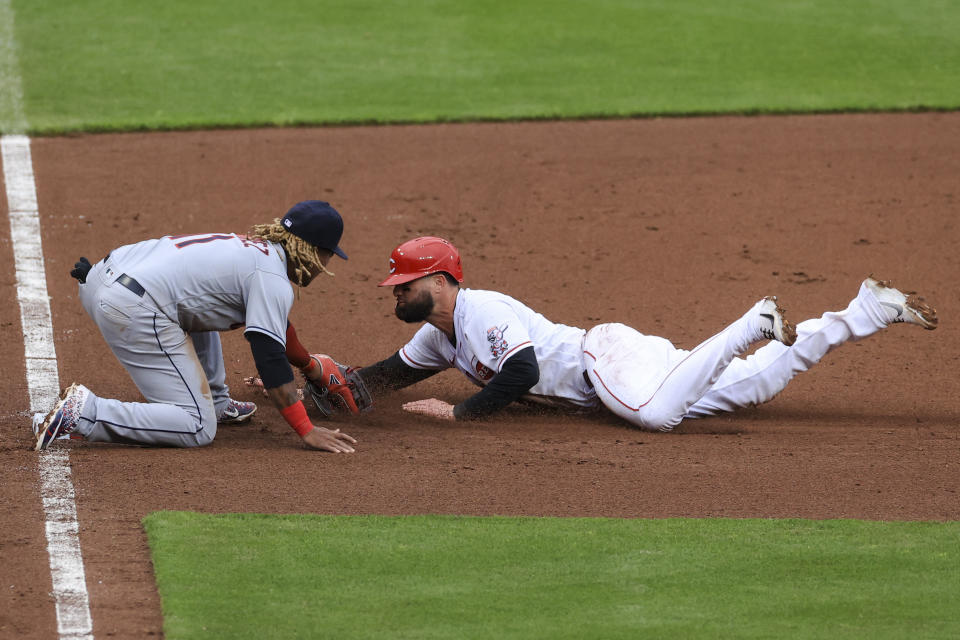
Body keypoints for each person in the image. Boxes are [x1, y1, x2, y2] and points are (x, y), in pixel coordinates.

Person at [314, 236, 937, 431]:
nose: (396, 291)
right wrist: (301, 381)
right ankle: (865, 312)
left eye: (406, 282)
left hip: (605, 359)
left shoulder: (485, 311)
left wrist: (462, 413)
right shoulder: (439, 336)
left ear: (443, 281)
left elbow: (523, 373)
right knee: (749, 386)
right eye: (396, 284)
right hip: (617, 367)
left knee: (657, 416)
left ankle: (754, 321)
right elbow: (381, 380)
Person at [32, 201, 358, 453]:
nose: (324, 267)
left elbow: (277, 328)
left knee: (203, 311)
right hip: (133, 306)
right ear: (312, 250)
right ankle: (86, 412)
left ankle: (216, 403)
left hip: (104, 274)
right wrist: (306, 429)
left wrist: (310, 365)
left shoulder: (254, 252)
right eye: (328, 257)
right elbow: (270, 358)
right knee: (198, 427)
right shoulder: (272, 278)